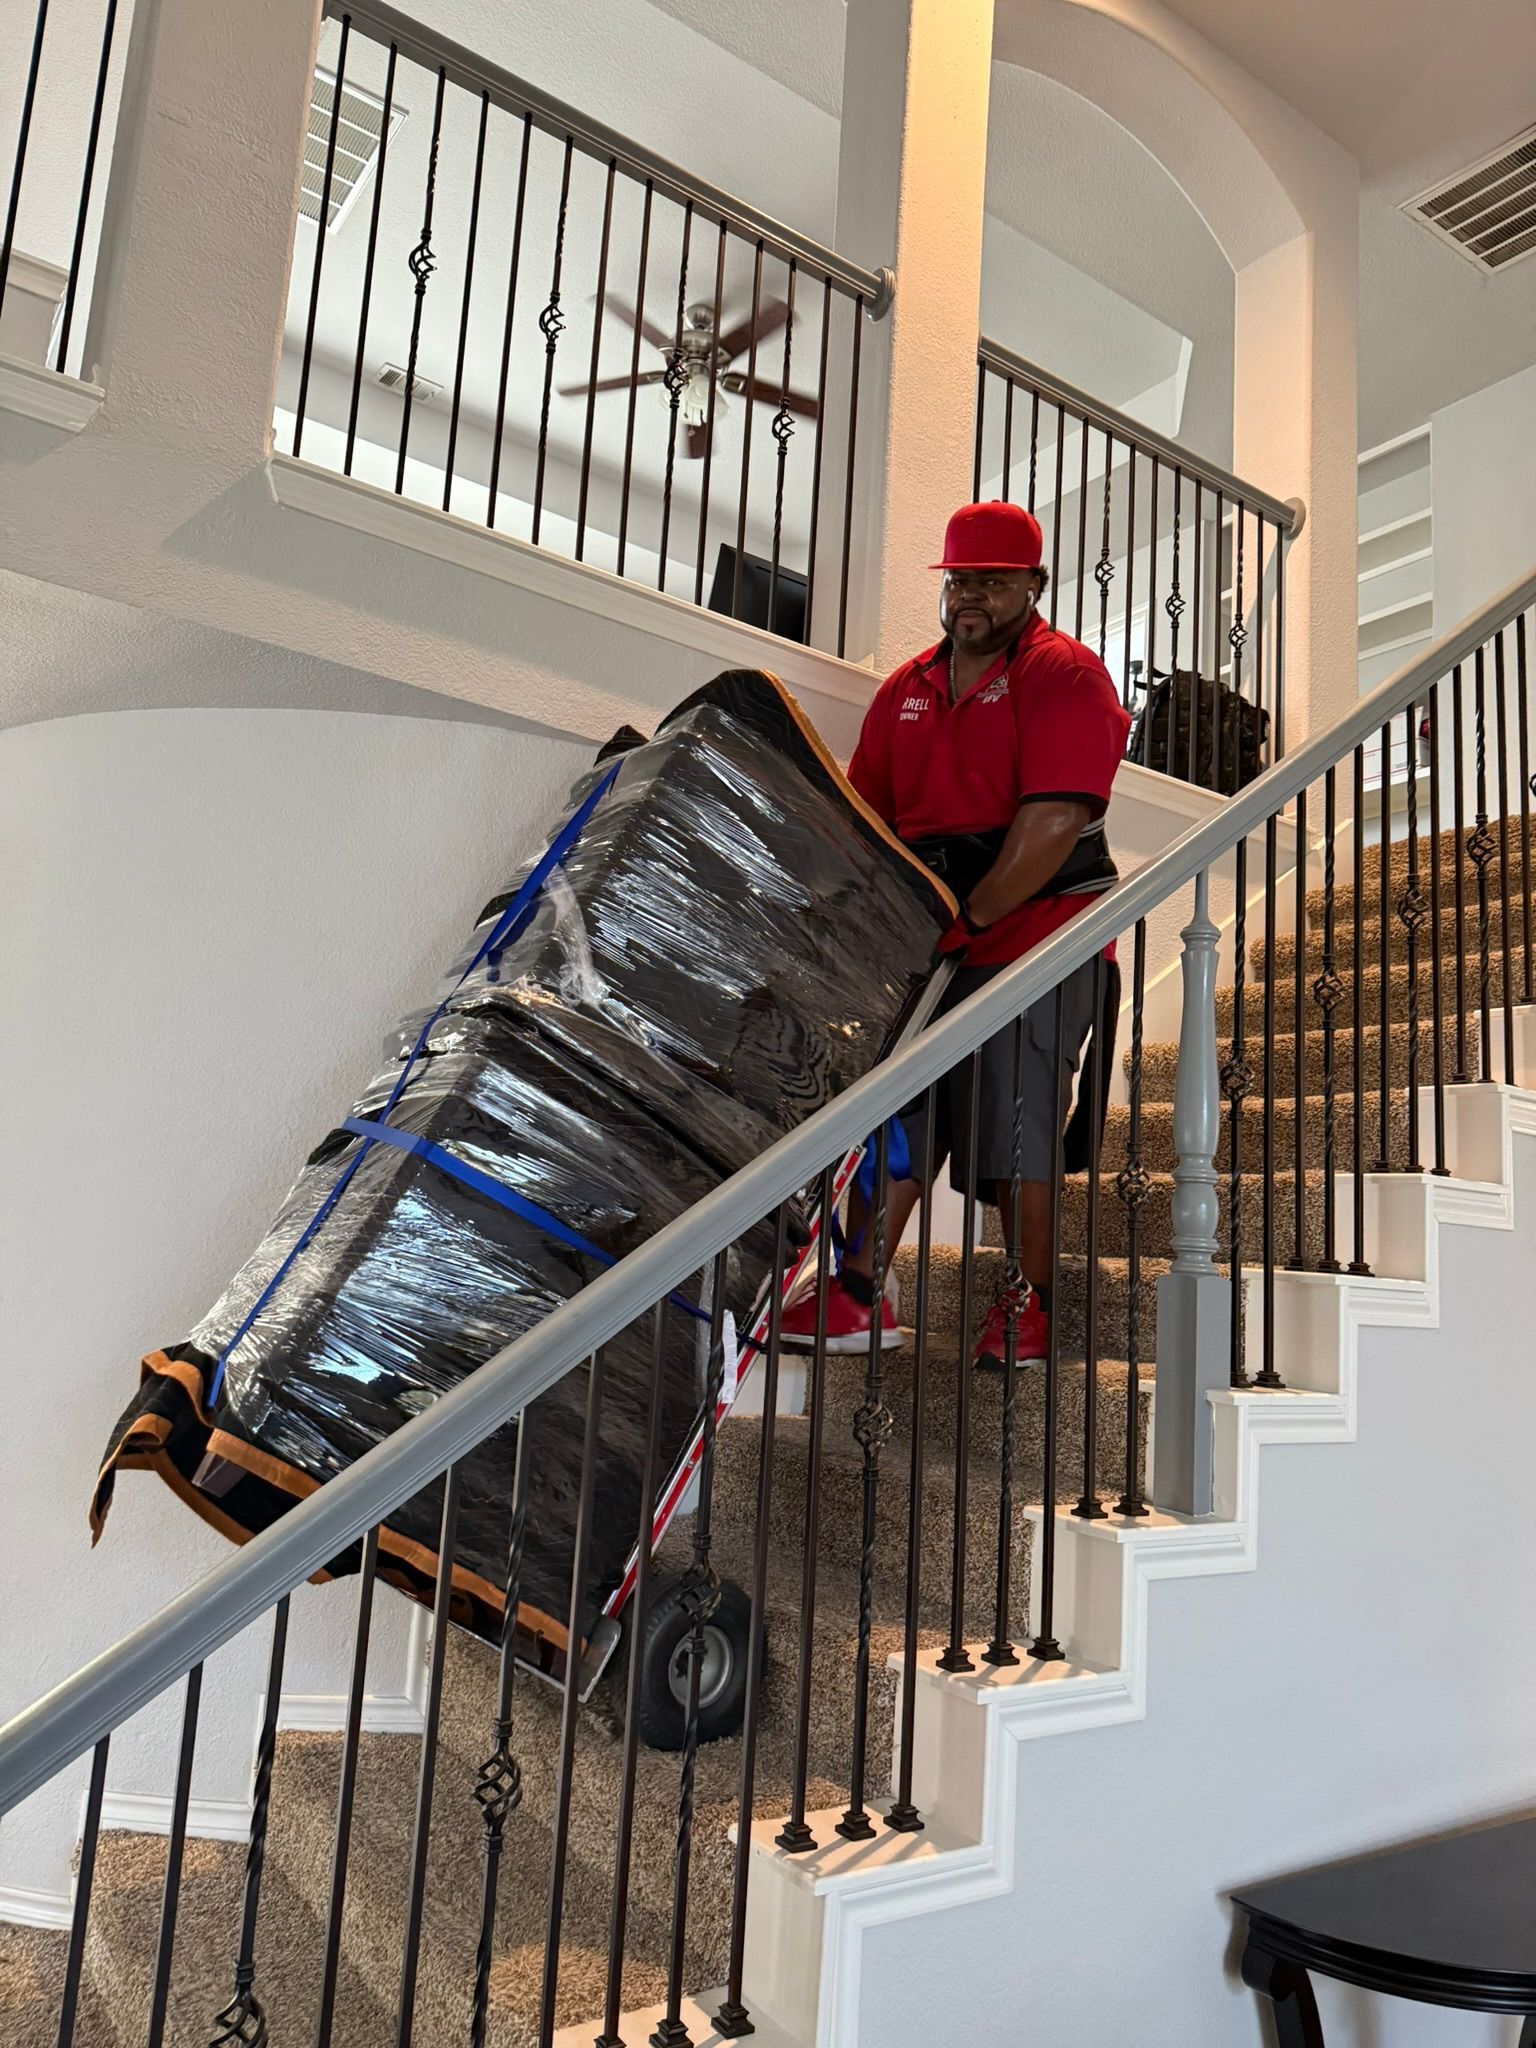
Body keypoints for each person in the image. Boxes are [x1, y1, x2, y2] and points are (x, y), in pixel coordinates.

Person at [780, 500, 1130, 1368]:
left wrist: (963, 919)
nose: (972, 595)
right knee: (897, 1114)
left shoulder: (1066, 675)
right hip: (937, 936)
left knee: (1016, 1120)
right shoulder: (908, 688)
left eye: (994, 581)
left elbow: (1052, 826)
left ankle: (1030, 1306)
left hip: (1041, 935)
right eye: (961, 579)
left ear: (1032, 585)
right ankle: (859, 1292)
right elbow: (865, 817)